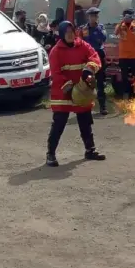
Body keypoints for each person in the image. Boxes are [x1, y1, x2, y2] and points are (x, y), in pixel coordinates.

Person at [46, 21, 105, 167]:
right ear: (61, 35)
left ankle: (90, 150)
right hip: (63, 91)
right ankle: (50, 154)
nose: (70, 35)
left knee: (85, 120)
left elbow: (94, 56)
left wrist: (89, 70)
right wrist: (71, 88)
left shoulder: (82, 45)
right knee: (59, 122)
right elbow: (57, 74)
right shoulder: (56, 51)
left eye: (72, 32)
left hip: (81, 88)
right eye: (67, 33)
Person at [77, 7, 109, 115]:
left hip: (98, 57)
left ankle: (103, 107)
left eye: (95, 16)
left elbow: (103, 38)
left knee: (100, 82)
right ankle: (85, 106)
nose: (93, 18)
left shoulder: (101, 28)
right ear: (88, 17)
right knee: (87, 82)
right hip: (87, 58)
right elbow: (79, 42)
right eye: (91, 16)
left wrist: (97, 28)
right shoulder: (83, 29)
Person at [114, 8, 135, 98]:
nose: (129, 18)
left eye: (130, 16)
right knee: (124, 76)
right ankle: (126, 93)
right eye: (127, 16)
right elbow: (115, 32)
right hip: (123, 56)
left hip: (134, 55)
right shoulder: (120, 25)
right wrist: (122, 22)